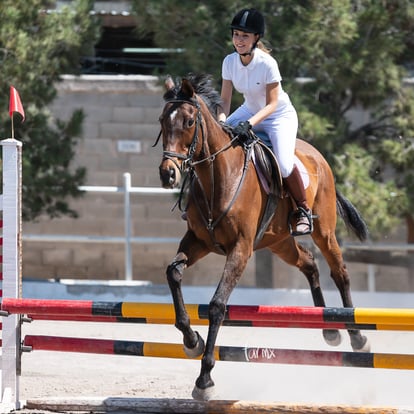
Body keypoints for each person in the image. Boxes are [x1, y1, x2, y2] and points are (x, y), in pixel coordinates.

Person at [217, 8, 313, 236]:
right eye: (236, 35)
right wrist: (221, 122)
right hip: (249, 109)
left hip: (278, 116)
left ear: (256, 38)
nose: (239, 41)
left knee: (284, 165)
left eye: (245, 36)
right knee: (217, 143)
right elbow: (224, 100)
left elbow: (271, 104)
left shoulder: (267, 64)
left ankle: (304, 211)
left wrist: (249, 124)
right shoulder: (229, 62)